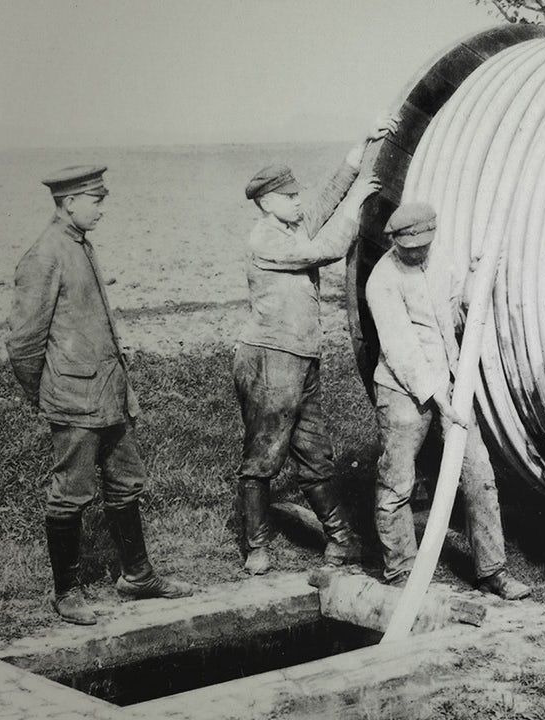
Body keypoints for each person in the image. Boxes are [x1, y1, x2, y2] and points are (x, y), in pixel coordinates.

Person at [8, 165, 193, 625]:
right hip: (74, 398)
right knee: (71, 493)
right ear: (70, 202)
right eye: (96, 200)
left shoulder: (79, 244)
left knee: (127, 482)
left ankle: (138, 576)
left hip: (109, 395)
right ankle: (66, 592)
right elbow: (23, 343)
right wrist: (49, 392)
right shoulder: (45, 254)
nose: (103, 209)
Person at [364, 201, 531, 600]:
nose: (418, 253)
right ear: (395, 242)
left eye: (423, 245)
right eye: (409, 248)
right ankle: (401, 572)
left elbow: (457, 315)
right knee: (397, 480)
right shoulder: (381, 281)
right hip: (404, 389)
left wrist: (476, 279)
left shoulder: (441, 262)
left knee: (479, 473)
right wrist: (440, 399)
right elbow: (401, 349)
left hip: (450, 384)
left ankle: (492, 571)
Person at [234, 135, 383, 576]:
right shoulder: (266, 240)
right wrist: (361, 202)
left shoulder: (291, 225)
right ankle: (257, 548)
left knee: (315, 454)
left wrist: (359, 154)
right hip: (269, 358)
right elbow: (330, 248)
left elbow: (323, 203)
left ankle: (340, 541)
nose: (299, 202)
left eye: (297, 194)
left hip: (301, 358)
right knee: (263, 456)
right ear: (265, 203)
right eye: (289, 197)